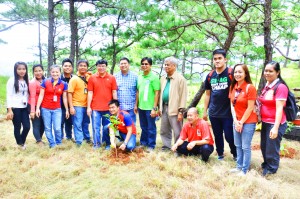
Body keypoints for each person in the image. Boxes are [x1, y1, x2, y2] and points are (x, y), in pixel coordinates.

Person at [203, 49, 237, 160]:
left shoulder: (231, 73)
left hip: (228, 112)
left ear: (225, 59)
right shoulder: (210, 75)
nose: (217, 61)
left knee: (229, 136)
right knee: (217, 135)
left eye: (220, 58)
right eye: (215, 59)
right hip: (214, 112)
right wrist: (205, 111)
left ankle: (235, 154)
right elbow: (207, 94)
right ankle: (220, 153)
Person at [258, 61, 288, 176]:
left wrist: (275, 128)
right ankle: (266, 164)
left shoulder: (280, 87)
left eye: (271, 71)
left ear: (277, 72)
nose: (267, 73)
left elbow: (279, 108)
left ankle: (271, 169)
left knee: (272, 148)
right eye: (266, 70)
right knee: (265, 146)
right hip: (266, 122)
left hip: (275, 123)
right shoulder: (267, 85)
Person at [229, 64, 258, 175]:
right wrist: (236, 121)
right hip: (236, 121)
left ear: (245, 74)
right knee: (238, 145)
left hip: (248, 122)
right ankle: (239, 166)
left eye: (240, 72)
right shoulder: (233, 86)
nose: (237, 74)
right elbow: (232, 105)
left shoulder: (249, 87)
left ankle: (244, 170)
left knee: (245, 146)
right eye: (235, 72)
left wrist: (241, 122)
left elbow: (250, 107)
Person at [36, 65, 69, 148]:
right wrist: (37, 108)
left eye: (57, 72)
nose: (55, 74)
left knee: (57, 128)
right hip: (45, 108)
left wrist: (67, 110)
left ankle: (58, 142)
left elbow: (64, 97)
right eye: (53, 72)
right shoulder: (45, 82)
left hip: (57, 109)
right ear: (50, 72)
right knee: (48, 128)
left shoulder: (63, 84)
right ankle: (52, 143)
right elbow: (41, 95)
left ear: (60, 73)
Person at [87, 59, 117, 149]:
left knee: (107, 127)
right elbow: (90, 93)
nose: (101, 68)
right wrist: (88, 107)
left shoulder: (111, 78)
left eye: (103, 66)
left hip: (108, 108)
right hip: (95, 108)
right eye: (99, 66)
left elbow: (114, 92)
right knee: (96, 127)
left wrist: (115, 106)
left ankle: (107, 144)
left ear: (106, 67)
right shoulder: (92, 78)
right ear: (96, 67)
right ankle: (97, 144)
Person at [159, 56, 187, 151]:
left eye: (168, 65)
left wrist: (181, 111)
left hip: (175, 109)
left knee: (177, 130)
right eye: (165, 64)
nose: (166, 66)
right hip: (164, 107)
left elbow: (183, 96)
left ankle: (178, 148)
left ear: (174, 66)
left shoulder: (180, 79)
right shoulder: (163, 78)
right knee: (164, 129)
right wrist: (159, 108)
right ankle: (166, 146)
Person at [135, 57, 160, 152]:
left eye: (146, 64)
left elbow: (157, 93)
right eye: (142, 64)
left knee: (151, 127)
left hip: (150, 107)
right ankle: (143, 143)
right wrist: (136, 105)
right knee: (143, 126)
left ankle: (151, 145)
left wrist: (154, 108)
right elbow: (138, 91)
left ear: (150, 66)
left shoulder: (154, 77)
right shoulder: (140, 77)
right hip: (141, 107)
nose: (144, 66)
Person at [6, 61, 30, 150]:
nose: (22, 71)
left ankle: (21, 142)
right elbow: (9, 95)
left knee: (27, 126)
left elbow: (27, 94)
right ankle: (20, 144)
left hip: (24, 107)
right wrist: (9, 109)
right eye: (19, 69)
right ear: (15, 70)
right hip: (15, 107)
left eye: (23, 69)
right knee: (17, 127)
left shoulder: (27, 79)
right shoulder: (12, 80)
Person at [68, 60, 91, 146]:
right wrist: (71, 107)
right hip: (77, 105)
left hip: (87, 105)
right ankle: (79, 141)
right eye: (81, 65)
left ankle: (87, 138)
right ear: (77, 67)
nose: (83, 67)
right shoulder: (74, 79)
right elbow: (69, 93)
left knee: (86, 123)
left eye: (85, 66)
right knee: (77, 124)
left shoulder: (88, 77)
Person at [114, 57, 138, 124]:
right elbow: (113, 91)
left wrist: (136, 105)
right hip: (119, 107)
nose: (123, 65)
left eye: (125, 63)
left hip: (131, 107)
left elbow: (137, 91)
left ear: (129, 65)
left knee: (132, 126)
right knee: (119, 127)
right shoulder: (115, 76)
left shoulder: (135, 76)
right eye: (121, 64)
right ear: (119, 65)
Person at [29, 64, 45, 145]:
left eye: (39, 70)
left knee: (43, 124)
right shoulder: (32, 82)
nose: (38, 73)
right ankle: (38, 141)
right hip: (34, 105)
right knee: (36, 124)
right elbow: (32, 97)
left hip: (44, 106)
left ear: (43, 71)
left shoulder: (45, 80)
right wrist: (32, 111)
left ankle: (40, 139)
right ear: (33, 72)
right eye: (36, 71)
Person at [61, 58, 73, 140]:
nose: (67, 68)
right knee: (60, 122)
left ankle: (69, 137)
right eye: (65, 66)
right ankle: (60, 137)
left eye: (69, 66)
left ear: (72, 68)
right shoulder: (58, 78)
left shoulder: (75, 78)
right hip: (60, 104)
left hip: (72, 104)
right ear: (62, 67)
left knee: (69, 121)